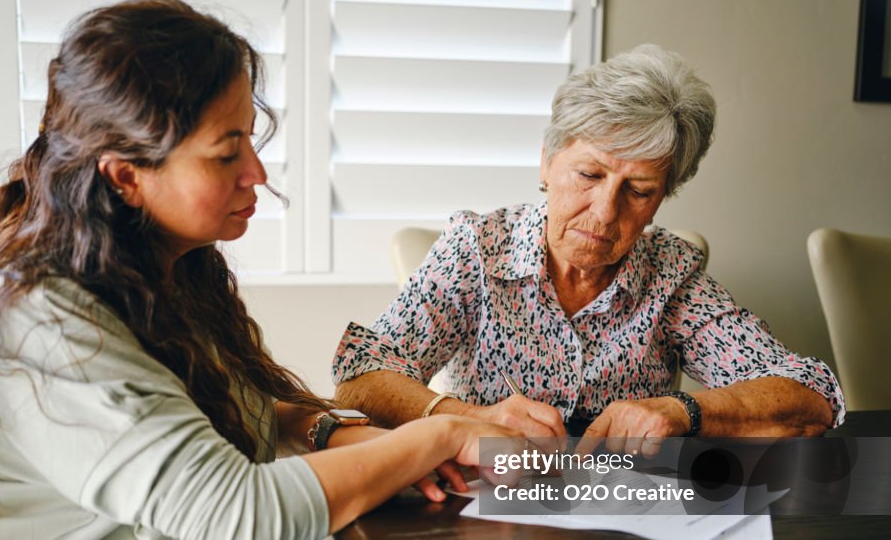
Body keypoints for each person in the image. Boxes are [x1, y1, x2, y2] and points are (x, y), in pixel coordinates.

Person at [0, 0, 517, 540]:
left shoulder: (162, 269)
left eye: (251, 140)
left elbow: (246, 404)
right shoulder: (38, 317)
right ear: (125, 175)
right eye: (227, 153)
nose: (257, 172)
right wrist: (438, 435)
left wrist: (341, 436)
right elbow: (238, 513)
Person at [332, 44, 844, 458]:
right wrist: (471, 417)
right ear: (547, 162)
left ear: (661, 199)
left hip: (627, 526)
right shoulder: (477, 251)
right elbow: (360, 377)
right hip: (484, 511)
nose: (603, 212)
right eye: (589, 174)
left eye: (638, 190)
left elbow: (810, 397)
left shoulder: (672, 275)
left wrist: (681, 410)